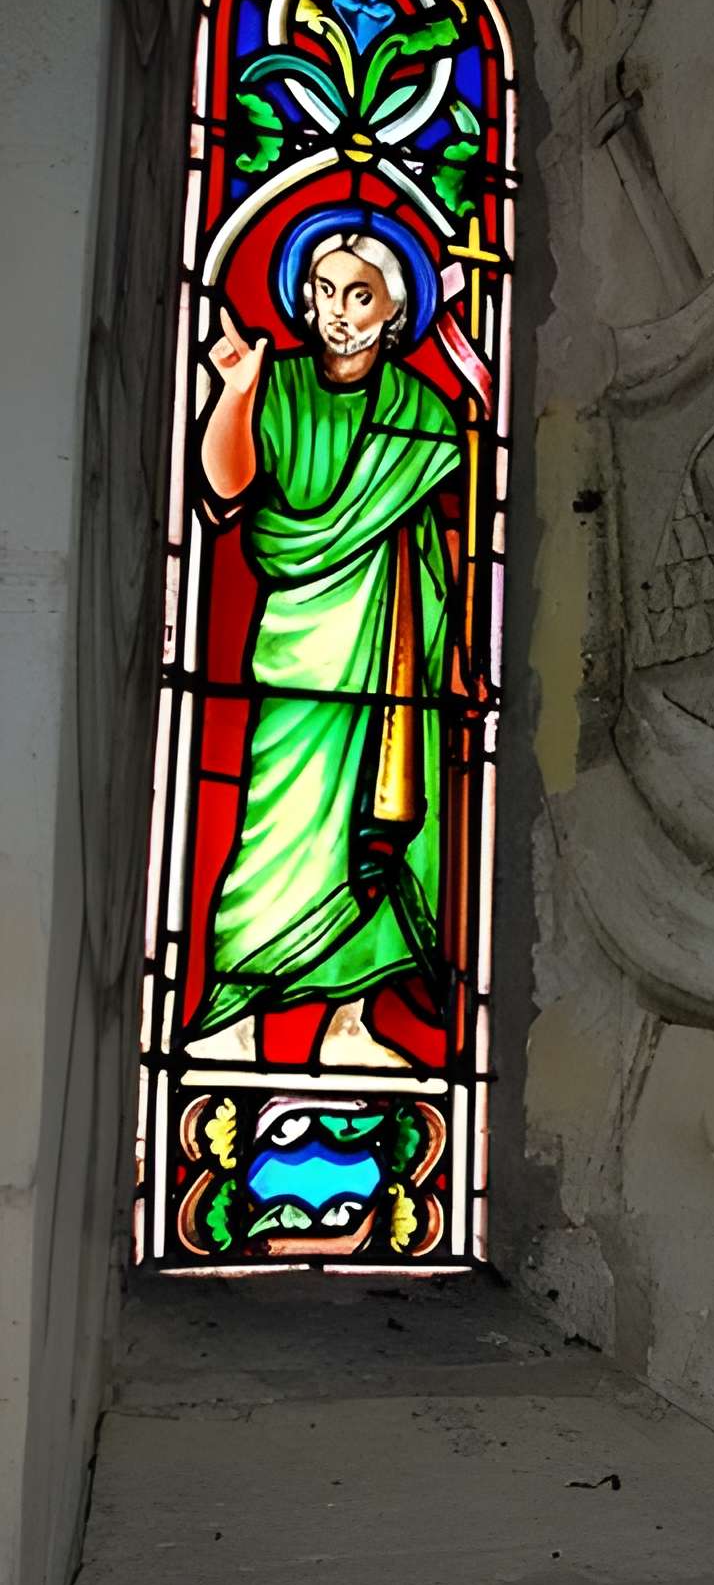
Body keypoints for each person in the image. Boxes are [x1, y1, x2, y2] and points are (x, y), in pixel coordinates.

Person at [189, 218, 460, 1070]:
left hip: (389, 661)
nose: (339, 311)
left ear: (393, 311)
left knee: (369, 842)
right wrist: (235, 390)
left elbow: (440, 551)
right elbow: (226, 488)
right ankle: (230, 1019)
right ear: (302, 300)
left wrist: (451, 662)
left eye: (360, 295)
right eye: (325, 291)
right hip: (301, 657)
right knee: (278, 835)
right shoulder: (282, 389)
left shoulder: (421, 413)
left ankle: (350, 1026)